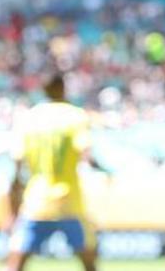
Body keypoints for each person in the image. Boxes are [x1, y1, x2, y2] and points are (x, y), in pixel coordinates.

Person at [6, 74, 98, 271]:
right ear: (64, 88)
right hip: (70, 201)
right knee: (89, 263)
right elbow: (86, 153)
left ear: (43, 90)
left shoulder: (29, 118)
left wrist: (12, 211)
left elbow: (16, 168)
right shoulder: (75, 116)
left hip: (36, 201)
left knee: (16, 263)